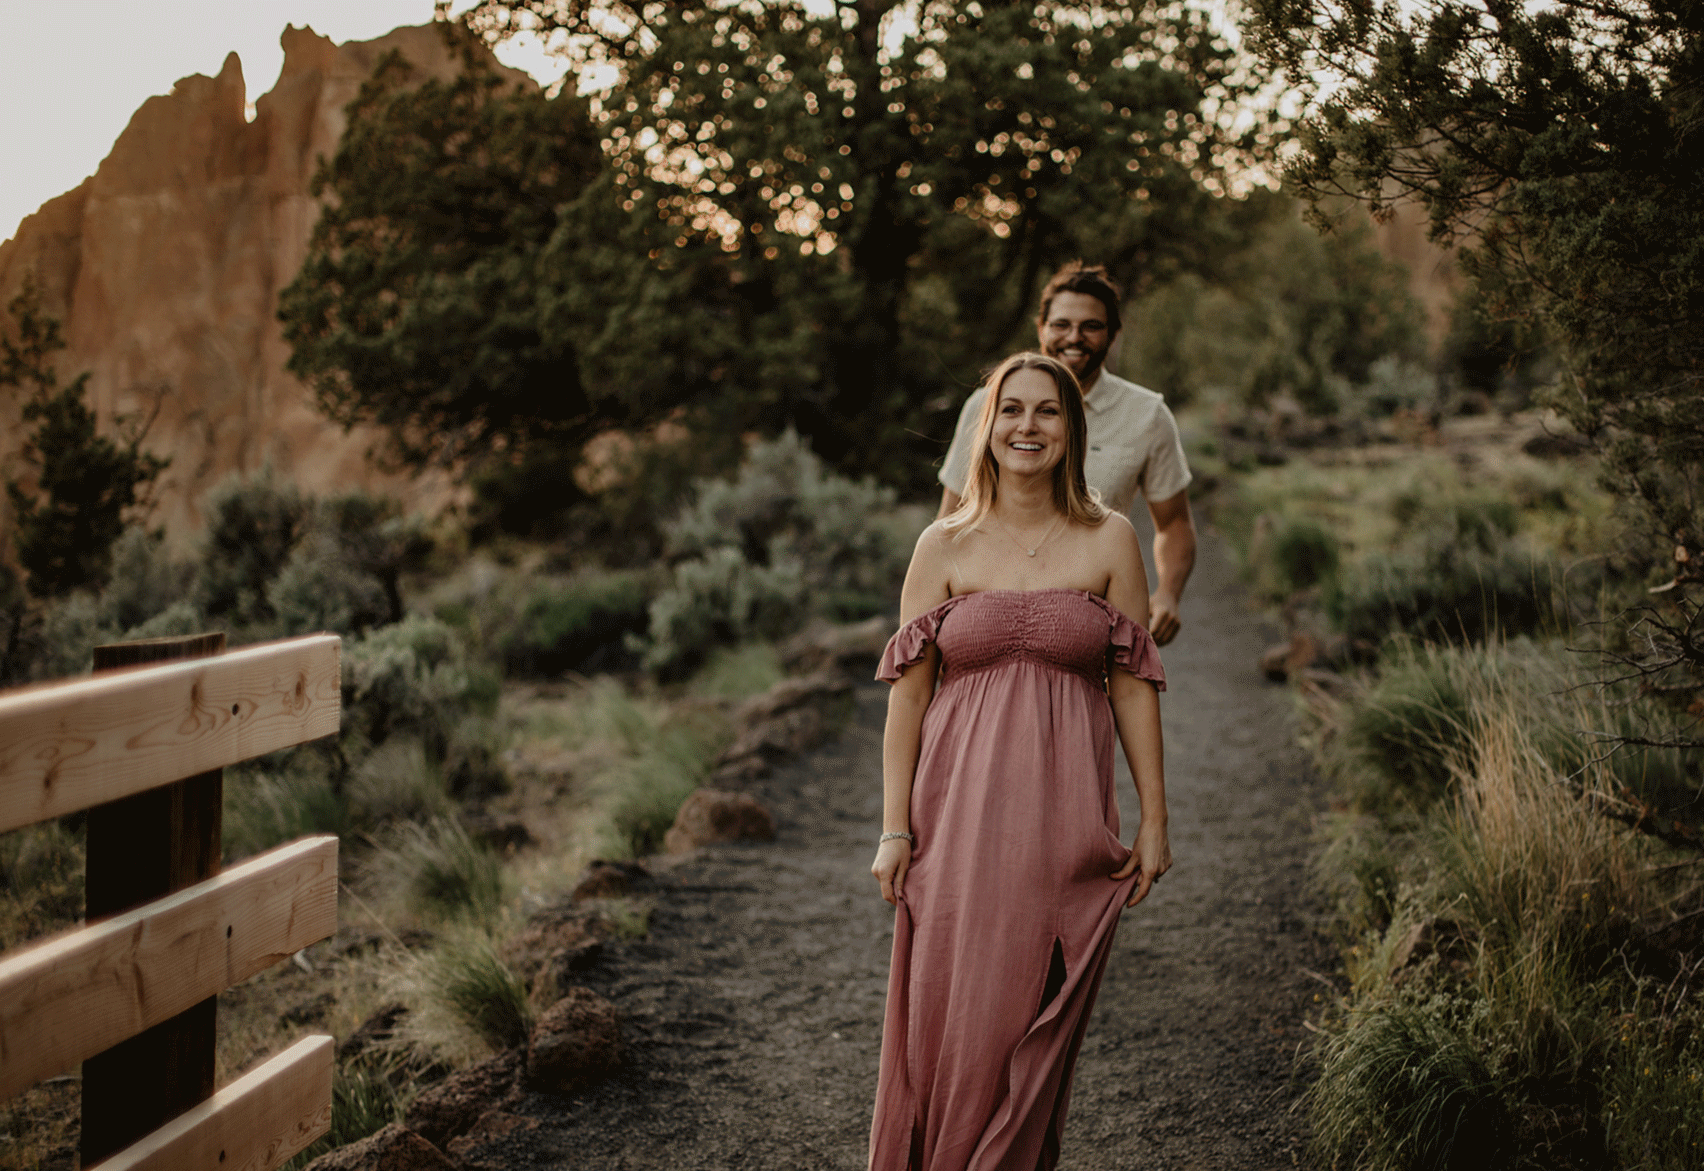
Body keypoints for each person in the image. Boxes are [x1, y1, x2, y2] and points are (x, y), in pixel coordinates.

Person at [868, 351, 1172, 1171]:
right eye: (1011, 410)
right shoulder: (943, 543)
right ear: (987, 425)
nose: (1027, 427)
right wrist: (894, 827)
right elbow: (907, 697)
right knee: (953, 1015)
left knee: (1037, 1007)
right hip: (954, 822)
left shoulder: (1110, 539)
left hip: (1063, 822)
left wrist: (1155, 819)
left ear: (1074, 428)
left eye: (1047, 411)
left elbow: (1135, 687)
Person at [936, 263, 1196, 645]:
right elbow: (952, 517)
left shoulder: (1147, 415)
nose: (1074, 337)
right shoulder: (987, 406)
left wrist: (1168, 593)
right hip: (992, 615)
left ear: (1114, 334)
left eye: (1091, 326)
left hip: (1095, 626)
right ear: (1040, 328)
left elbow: (1174, 524)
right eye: (1061, 324)